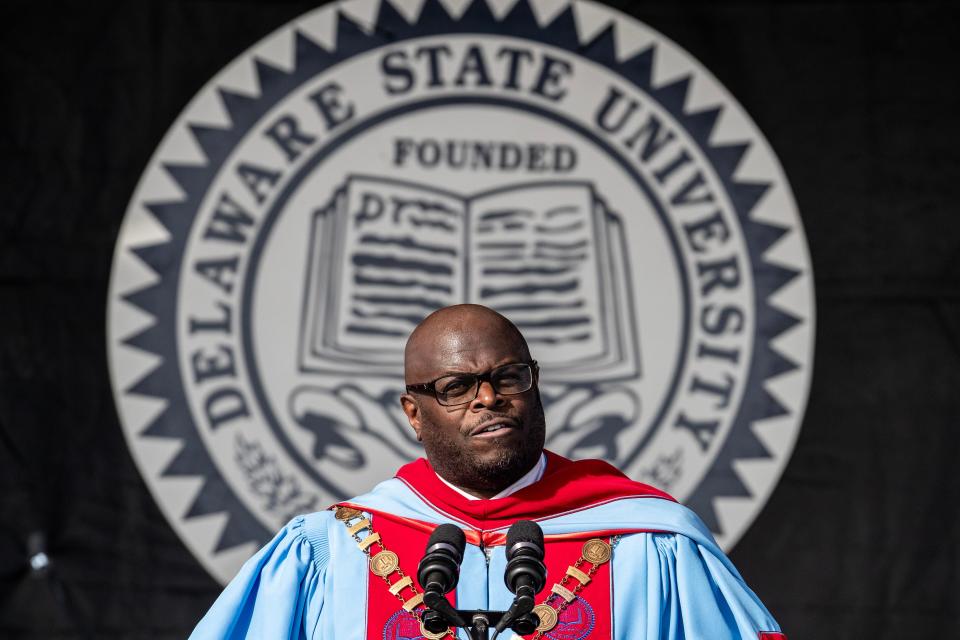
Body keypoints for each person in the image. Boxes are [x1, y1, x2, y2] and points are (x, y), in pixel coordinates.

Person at [190, 304, 786, 640]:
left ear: (534, 385)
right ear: (413, 414)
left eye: (508, 377)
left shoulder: (651, 543)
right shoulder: (329, 552)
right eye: (455, 387)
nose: (488, 399)